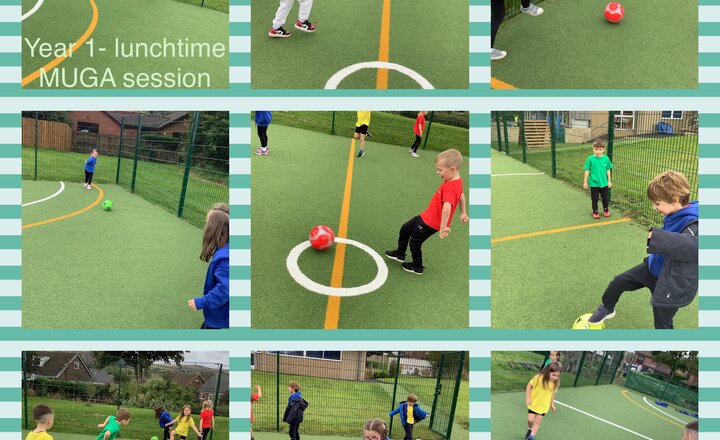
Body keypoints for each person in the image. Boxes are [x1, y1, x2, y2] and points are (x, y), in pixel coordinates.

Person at [588, 171, 699, 329]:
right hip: (650, 269)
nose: (654, 207)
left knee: (662, 324)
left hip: (670, 284)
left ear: (675, 200)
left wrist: (659, 238)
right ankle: (607, 308)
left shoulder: (696, 222)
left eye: (657, 203)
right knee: (617, 282)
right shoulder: (675, 211)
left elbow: (695, 247)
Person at [385, 149, 469, 274]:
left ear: (452, 169)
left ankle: (417, 266)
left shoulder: (451, 187)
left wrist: (443, 227)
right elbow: (461, 195)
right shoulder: (455, 180)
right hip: (426, 216)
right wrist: (463, 212)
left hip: (431, 223)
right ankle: (400, 253)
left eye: (440, 170)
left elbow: (447, 207)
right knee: (405, 228)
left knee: (415, 242)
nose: (437, 173)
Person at [188, 203, 230, 329]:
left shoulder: (225, 259)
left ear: (215, 229)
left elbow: (225, 289)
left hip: (221, 316)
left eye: (207, 223)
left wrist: (202, 301)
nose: (205, 226)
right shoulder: (225, 248)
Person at [525, 362, 560, 440]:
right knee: (530, 420)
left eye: (557, 376)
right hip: (534, 403)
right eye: (553, 375)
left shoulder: (554, 383)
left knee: (537, 422)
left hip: (544, 406)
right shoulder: (538, 378)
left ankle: (531, 436)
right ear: (548, 372)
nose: (555, 378)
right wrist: (528, 397)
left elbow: (552, 394)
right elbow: (529, 385)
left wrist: (552, 404)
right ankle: (529, 429)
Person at [583, 140, 613, 219]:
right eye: (596, 149)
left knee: (605, 198)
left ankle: (606, 210)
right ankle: (595, 211)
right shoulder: (590, 159)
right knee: (595, 199)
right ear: (593, 149)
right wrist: (585, 182)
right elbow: (587, 170)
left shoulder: (606, 159)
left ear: (603, 149)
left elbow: (608, 170)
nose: (598, 151)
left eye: (600, 149)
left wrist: (609, 181)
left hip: (604, 183)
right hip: (594, 183)